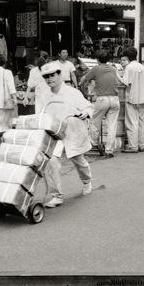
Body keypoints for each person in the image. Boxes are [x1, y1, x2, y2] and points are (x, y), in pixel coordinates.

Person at [40, 61, 94, 208]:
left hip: (72, 132)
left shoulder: (73, 93)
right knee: (51, 161)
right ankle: (56, 195)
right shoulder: (44, 95)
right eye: (46, 77)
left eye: (52, 75)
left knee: (79, 161)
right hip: (54, 134)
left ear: (59, 75)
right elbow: (40, 115)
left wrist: (85, 113)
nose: (49, 79)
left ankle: (87, 182)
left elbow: (88, 107)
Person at [79, 50, 120, 159]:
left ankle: (93, 144)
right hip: (115, 100)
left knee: (94, 122)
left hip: (102, 99)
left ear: (97, 60)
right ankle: (109, 151)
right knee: (112, 126)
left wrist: (80, 84)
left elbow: (84, 79)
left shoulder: (96, 68)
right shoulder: (113, 69)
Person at [117, 47, 144, 153]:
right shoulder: (142, 67)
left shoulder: (129, 67)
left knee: (131, 122)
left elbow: (125, 82)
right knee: (141, 122)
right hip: (142, 97)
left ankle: (133, 146)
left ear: (128, 58)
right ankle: (141, 145)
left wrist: (117, 74)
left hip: (132, 98)